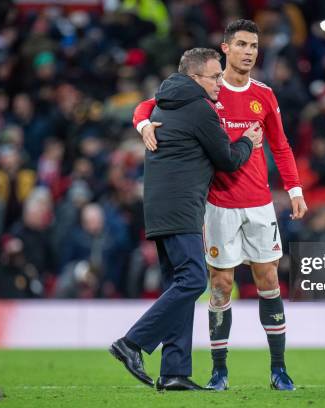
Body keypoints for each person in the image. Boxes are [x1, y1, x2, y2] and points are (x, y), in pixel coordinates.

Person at [134, 19, 308, 391]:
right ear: (226, 48)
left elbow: (280, 145)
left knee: (268, 280)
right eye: (242, 44)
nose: (249, 52)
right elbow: (145, 106)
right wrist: (143, 124)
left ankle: (279, 369)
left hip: (259, 203)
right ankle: (219, 371)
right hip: (217, 204)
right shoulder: (205, 91)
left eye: (254, 46)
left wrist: (294, 189)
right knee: (220, 285)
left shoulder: (265, 94)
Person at [110, 48, 262, 391]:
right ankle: (132, 342)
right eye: (214, 76)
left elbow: (144, 108)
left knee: (177, 284)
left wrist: (143, 120)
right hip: (181, 209)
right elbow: (226, 159)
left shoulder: (166, 101)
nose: (220, 83)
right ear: (194, 78)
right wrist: (249, 142)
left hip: (161, 208)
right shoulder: (198, 109)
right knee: (194, 280)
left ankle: (174, 372)